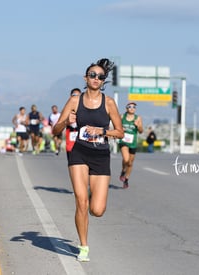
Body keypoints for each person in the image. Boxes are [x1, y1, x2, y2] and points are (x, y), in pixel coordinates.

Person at [52, 58, 124, 262]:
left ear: (103, 81)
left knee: (97, 210)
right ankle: (83, 246)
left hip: (100, 155)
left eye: (100, 76)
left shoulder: (109, 103)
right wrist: (67, 121)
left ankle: (92, 192)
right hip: (79, 153)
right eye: (92, 75)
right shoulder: (75, 100)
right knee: (81, 202)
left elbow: (120, 132)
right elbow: (55, 129)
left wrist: (102, 130)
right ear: (86, 78)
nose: (96, 78)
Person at [118, 102, 143, 189]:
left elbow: (141, 131)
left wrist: (138, 125)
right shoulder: (122, 117)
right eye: (130, 106)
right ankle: (123, 171)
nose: (132, 108)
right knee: (126, 159)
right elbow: (116, 127)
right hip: (123, 141)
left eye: (134, 107)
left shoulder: (138, 118)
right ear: (126, 108)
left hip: (133, 143)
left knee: (130, 163)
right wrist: (121, 128)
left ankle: (126, 179)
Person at [65, 88, 82, 160]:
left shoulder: (84, 109)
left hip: (82, 144)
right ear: (70, 96)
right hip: (71, 143)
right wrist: (67, 122)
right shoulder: (67, 109)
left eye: (78, 95)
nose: (76, 97)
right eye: (74, 95)